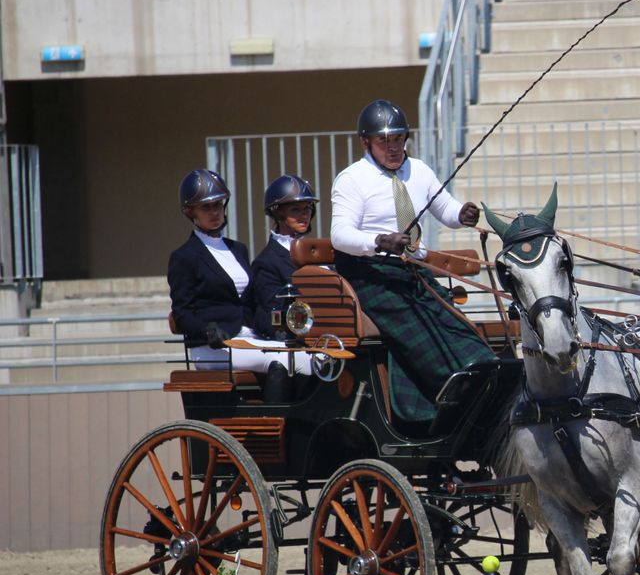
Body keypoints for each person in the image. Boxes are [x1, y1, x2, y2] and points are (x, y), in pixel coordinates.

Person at [330, 99, 495, 423]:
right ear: (366, 142)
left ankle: (483, 376)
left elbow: (445, 209)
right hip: (371, 273)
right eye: (384, 141)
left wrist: (462, 214)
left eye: (399, 139)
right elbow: (339, 235)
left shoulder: (418, 170)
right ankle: (453, 392)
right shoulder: (352, 179)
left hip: (412, 270)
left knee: (452, 321)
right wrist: (378, 241)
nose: (393, 148)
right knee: (418, 327)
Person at [167, 168, 309, 403]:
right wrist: (207, 329)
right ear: (190, 212)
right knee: (286, 361)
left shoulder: (237, 249)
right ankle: (276, 429)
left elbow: (252, 303)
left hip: (249, 338)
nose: (215, 212)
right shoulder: (184, 257)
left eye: (218, 205)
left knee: (310, 358)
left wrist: (277, 329)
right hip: (213, 348)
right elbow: (182, 313)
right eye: (206, 207)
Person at [246, 173, 318, 340]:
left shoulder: (316, 254)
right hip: (295, 339)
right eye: (295, 209)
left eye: (307, 208)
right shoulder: (266, 262)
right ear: (278, 214)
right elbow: (274, 314)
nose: (304, 214)